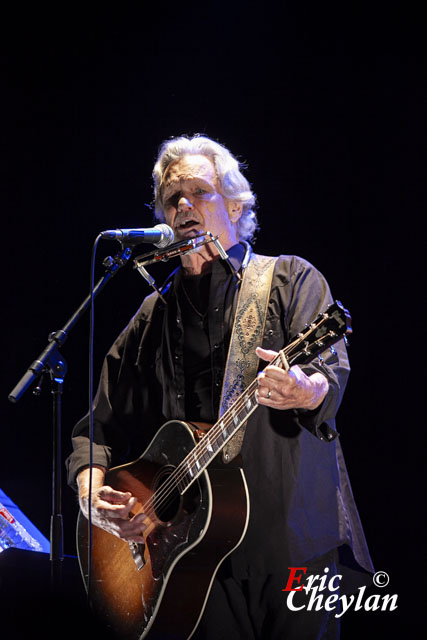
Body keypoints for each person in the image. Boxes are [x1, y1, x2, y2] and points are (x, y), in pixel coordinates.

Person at [66, 135, 373, 639]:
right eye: (172, 199)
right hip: (193, 560)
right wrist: (91, 492)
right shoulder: (152, 317)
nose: (184, 205)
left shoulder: (288, 280)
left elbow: (328, 372)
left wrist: (305, 387)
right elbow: (96, 429)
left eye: (199, 192)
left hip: (293, 542)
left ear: (235, 205)